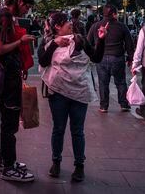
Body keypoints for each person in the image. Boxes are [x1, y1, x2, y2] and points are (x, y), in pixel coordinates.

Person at [39, 12, 107, 182]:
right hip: (58, 93)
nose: (71, 23)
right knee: (58, 129)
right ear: (57, 27)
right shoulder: (47, 42)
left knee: (77, 131)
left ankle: (79, 166)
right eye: (66, 21)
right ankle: (56, 162)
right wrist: (54, 44)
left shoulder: (80, 40)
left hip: (79, 91)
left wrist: (101, 39)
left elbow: (96, 58)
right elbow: (43, 61)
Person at [0, 0, 35, 182]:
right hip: (7, 79)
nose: (27, 11)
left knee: (2, 118)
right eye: (27, 6)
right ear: (20, 2)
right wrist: (21, 41)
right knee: (9, 123)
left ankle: (4, 161)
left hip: (4, 78)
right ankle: (8, 167)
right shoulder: (5, 16)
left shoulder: (0, 13)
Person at [87, 4, 134, 113]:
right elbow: (129, 44)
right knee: (121, 82)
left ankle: (104, 106)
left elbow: (88, 42)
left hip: (101, 58)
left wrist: (92, 56)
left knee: (103, 83)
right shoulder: (122, 26)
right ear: (114, 14)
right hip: (117, 57)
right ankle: (124, 104)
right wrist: (131, 58)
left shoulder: (95, 26)